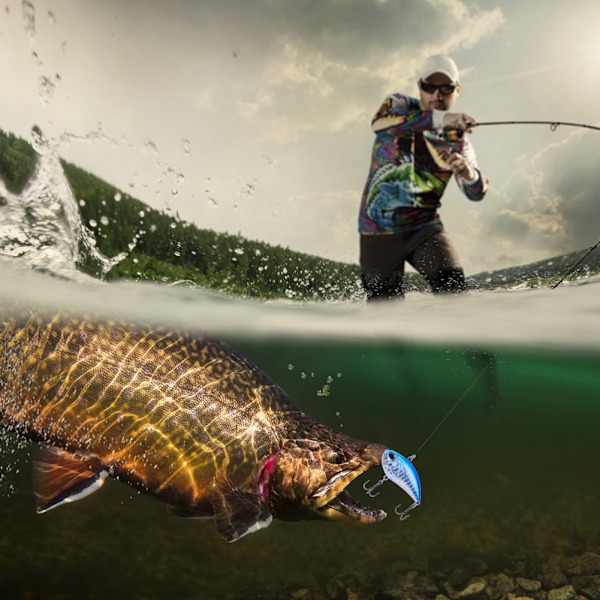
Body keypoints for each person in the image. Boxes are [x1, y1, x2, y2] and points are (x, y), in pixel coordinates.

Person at [358, 54, 489, 301]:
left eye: (446, 88)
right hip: (378, 231)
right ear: (419, 86)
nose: (437, 95)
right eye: (430, 87)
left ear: (457, 89)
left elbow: (478, 192)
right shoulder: (399, 105)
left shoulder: (460, 142)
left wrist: (468, 174)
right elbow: (379, 125)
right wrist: (443, 118)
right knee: (384, 310)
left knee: (454, 291)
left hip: (425, 230)